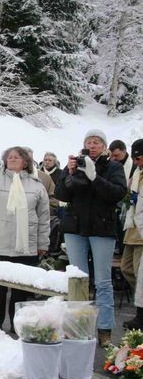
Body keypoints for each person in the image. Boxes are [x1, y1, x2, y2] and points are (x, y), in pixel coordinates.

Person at [55, 129, 127, 347]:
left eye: (97, 142)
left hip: (102, 228)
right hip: (75, 227)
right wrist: (68, 173)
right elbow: (61, 195)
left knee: (103, 281)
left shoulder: (113, 167)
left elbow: (118, 193)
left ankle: (104, 330)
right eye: (89, 142)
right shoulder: (76, 165)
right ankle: (78, 327)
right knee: (77, 280)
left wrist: (95, 177)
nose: (93, 145)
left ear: (104, 146)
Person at [0, 147, 50, 331]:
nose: (12, 158)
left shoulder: (37, 185)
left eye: (16, 156)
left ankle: (17, 324)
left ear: (26, 162)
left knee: (21, 289)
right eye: (9, 156)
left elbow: (44, 218)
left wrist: (43, 243)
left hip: (26, 245)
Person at [121, 139, 143, 330]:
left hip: (142, 232)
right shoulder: (136, 173)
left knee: (139, 273)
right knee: (126, 268)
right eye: (135, 158)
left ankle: (140, 315)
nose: (137, 162)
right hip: (132, 229)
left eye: (139, 157)